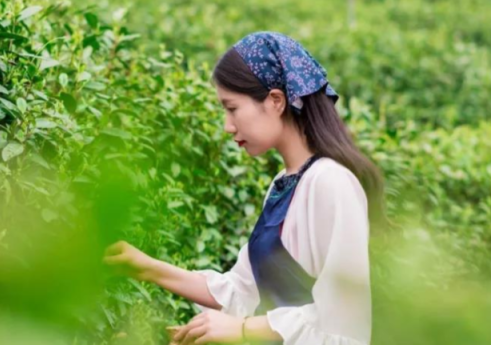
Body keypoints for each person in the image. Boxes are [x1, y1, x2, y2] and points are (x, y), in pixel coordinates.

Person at [103, 31, 386, 345]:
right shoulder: (284, 184)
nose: (227, 125)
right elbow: (241, 291)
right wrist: (142, 266)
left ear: (276, 101)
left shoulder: (330, 183)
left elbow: (343, 326)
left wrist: (241, 330)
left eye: (232, 108)